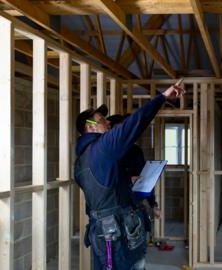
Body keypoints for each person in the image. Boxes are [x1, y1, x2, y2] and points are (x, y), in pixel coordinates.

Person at [74, 79, 184, 270]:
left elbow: (103, 191)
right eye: (102, 120)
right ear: (90, 127)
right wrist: (163, 97)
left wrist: (126, 180)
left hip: (102, 232)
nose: (108, 122)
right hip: (117, 234)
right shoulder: (102, 148)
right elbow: (135, 123)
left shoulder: (82, 159)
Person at [106, 114, 161, 220]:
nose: (126, 133)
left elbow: (145, 181)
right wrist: (127, 180)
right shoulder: (105, 152)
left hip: (134, 207)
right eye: (120, 130)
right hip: (111, 209)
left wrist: (153, 205)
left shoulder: (135, 151)